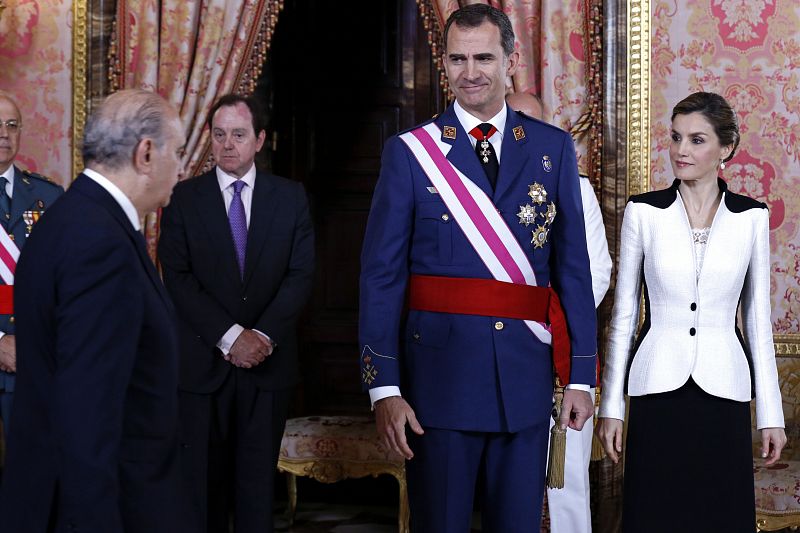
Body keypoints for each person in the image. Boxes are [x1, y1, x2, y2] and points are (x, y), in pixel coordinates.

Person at [359, 4, 597, 530]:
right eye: (458, 59)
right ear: (444, 63)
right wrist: (385, 388)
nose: (470, 72)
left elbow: (573, 270)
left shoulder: (552, 149)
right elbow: (381, 277)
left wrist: (581, 376)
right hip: (438, 387)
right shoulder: (410, 153)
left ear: (510, 61)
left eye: (484, 58)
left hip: (524, 382)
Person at [596, 92, 787, 533]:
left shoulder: (751, 218)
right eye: (676, 137)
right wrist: (612, 407)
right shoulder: (643, 212)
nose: (681, 150)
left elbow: (757, 322)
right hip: (656, 392)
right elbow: (624, 316)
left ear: (726, 148)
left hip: (725, 393)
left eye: (697, 140)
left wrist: (771, 416)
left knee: (720, 517)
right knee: (654, 516)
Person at [0, 89, 188, 532]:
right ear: (146, 153)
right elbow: (86, 414)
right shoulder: (99, 242)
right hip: (108, 506)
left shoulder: (71, 216)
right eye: (177, 152)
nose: (182, 168)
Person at [158, 93, 315, 533]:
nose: (227, 144)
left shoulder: (290, 198)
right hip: (201, 368)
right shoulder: (182, 199)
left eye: (239, 135)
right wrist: (230, 337)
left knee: (256, 493)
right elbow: (178, 277)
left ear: (259, 140)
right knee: (200, 491)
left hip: (268, 368)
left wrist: (261, 336)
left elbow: (301, 275)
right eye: (220, 134)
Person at [507, 90, 611, 533]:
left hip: (561, 345)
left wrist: (550, 319)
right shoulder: (479, 186)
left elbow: (596, 271)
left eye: (533, 123)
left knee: (567, 481)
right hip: (503, 347)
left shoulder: (575, 185)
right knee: (507, 481)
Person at [0, 91, 63, 438]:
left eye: (12, 125)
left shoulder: (48, 197)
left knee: (31, 463)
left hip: (32, 358)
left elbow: (63, 279)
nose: (4, 134)